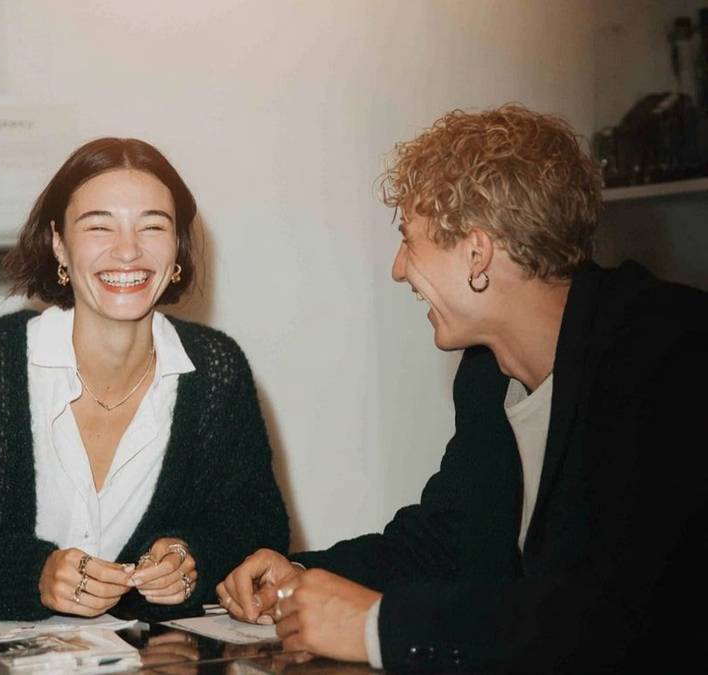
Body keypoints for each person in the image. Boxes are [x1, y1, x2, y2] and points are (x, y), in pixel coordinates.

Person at [218, 104, 708, 672]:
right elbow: (443, 543)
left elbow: (617, 615)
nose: (399, 269)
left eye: (409, 241)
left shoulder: (669, 352)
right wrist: (301, 578)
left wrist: (376, 627)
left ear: (477, 252)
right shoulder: (487, 376)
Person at [0, 137, 289, 622]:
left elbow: (258, 534)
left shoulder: (216, 371)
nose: (128, 251)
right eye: (99, 226)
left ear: (178, 244)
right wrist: (32, 574)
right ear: (59, 242)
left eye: (153, 226)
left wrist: (192, 556)